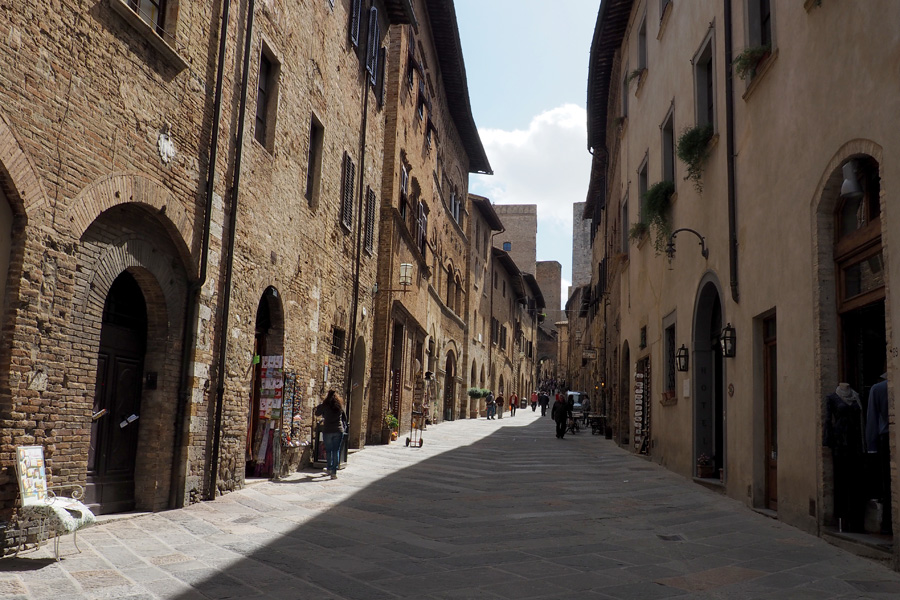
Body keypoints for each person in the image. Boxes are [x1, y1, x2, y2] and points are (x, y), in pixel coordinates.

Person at [823, 382, 866, 532]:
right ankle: (842, 518)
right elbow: (828, 421)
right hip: (840, 445)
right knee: (841, 481)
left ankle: (856, 520)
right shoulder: (832, 398)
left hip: (855, 444)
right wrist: (828, 441)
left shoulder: (856, 397)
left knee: (855, 482)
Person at [866, 373, 892, 535]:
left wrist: (871, 446)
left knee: (887, 484)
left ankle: (888, 524)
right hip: (887, 439)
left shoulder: (878, 389)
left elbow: (872, 419)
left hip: (885, 439)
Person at [315, 389, 348, 479]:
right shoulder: (340, 406)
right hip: (338, 430)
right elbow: (345, 417)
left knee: (329, 451)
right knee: (335, 451)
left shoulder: (325, 405)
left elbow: (317, 413)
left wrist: (321, 405)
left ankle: (329, 468)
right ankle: (334, 472)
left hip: (328, 430)